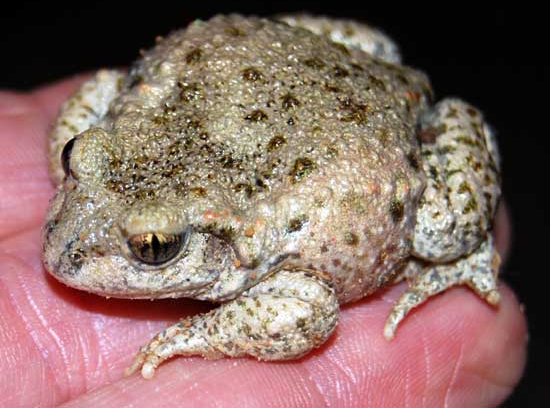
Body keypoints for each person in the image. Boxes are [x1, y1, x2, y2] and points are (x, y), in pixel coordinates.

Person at [0, 75, 527, 407]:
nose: (69, 243)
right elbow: (102, 88)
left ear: (219, 244)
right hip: (275, 76)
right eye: (79, 163)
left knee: (448, 228)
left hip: (373, 132)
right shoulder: (125, 139)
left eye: (154, 246)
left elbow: (307, 310)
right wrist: (74, 172)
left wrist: (206, 332)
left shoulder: (247, 242)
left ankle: (472, 254)